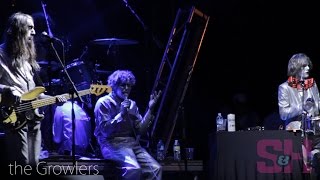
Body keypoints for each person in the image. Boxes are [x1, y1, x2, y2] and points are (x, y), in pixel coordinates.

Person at [0, 12, 66, 169]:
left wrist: (53, 98)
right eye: (30, 28)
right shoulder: (1, 55)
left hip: (33, 120)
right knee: (21, 166)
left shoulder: (26, 61)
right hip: (13, 118)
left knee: (34, 167)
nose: (34, 32)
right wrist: (8, 90)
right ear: (16, 30)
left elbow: (33, 94)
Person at [94, 70, 162, 180]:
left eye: (129, 86)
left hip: (131, 144)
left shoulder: (132, 104)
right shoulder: (103, 103)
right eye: (123, 85)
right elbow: (105, 131)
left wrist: (150, 110)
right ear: (114, 85)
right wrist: (121, 114)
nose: (126, 88)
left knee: (155, 168)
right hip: (111, 143)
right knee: (133, 169)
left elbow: (140, 129)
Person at [278, 53, 320, 175]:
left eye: (308, 66)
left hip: (314, 130)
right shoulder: (284, 87)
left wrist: (314, 107)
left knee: (315, 164)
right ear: (295, 68)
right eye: (304, 66)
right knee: (306, 166)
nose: (308, 69)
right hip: (297, 133)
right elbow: (283, 114)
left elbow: (317, 105)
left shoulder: (312, 85)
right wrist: (301, 107)